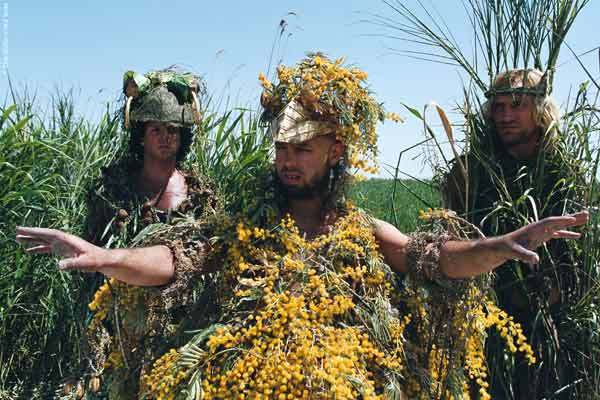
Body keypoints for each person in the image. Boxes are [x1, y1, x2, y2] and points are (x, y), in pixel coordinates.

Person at [17, 56, 588, 398]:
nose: (288, 160)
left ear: (335, 150)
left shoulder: (360, 228)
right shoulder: (245, 227)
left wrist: (499, 246)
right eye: (281, 147)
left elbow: (431, 257)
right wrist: (105, 256)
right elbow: (177, 260)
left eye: (303, 148)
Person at [73, 68, 222, 398]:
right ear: (141, 135)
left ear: (183, 137)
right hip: (118, 322)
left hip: (179, 321)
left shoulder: (198, 194)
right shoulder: (113, 191)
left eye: (172, 130)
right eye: (156, 129)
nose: (165, 137)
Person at [443, 69, 590, 398]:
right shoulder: (469, 172)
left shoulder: (565, 173)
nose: (506, 115)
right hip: (486, 329)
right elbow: (448, 242)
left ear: (541, 110)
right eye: (498, 107)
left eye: (517, 104)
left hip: (553, 330)